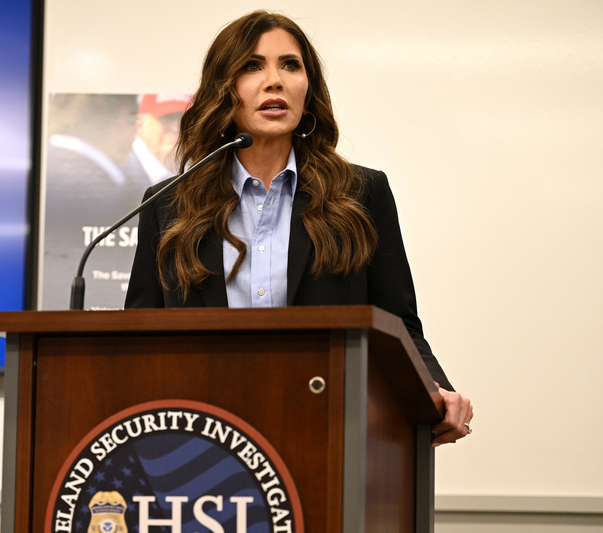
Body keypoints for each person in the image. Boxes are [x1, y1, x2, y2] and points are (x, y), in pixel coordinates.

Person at [124, 10, 473, 445]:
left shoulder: (361, 194)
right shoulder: (170, 205)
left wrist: (435, 389)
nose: (275, 81)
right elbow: (137, 343)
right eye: (252, 66)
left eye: (290, 64)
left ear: (308, 88)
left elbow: (399, 325)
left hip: (327, 435)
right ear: (223, 89)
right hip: (203, 447)